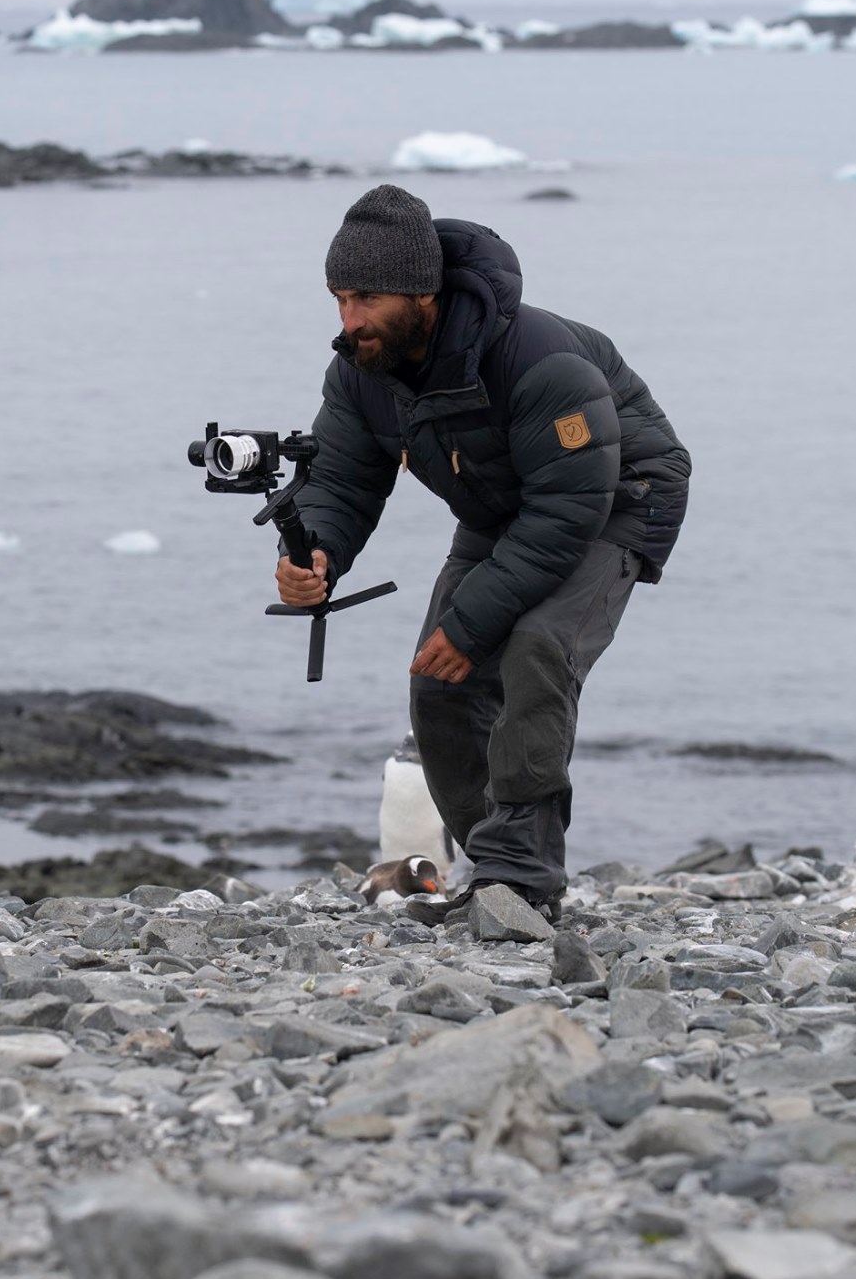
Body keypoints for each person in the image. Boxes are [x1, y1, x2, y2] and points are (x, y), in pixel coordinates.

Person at [276, 184, 689, 924]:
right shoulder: (360, 374)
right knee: (438, 688)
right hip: (503, 506)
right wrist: (317, 555)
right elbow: (340, 479)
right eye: (339, 298)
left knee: (535, 645)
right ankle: (491, 868)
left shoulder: (538, 359)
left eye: (365, 298)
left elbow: (568, 511)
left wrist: (470, 627)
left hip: (618, 496)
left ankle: (523, 882)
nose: (349, 321)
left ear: (422, 294)